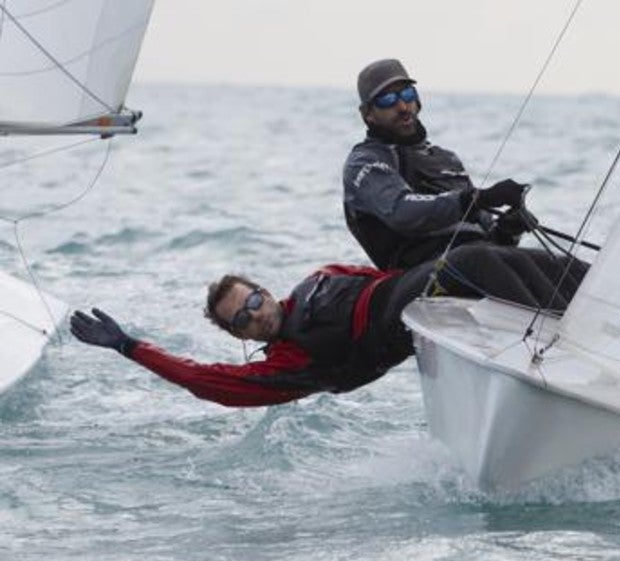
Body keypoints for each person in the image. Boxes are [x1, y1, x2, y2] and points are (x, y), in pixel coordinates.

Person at [69, 245, 583, 408]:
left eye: (252, 299)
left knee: (493, 253)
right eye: (241, 319)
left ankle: (601, 293)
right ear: (240, 337)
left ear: (264, 290)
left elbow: (380, 274)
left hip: (408, 285)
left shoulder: (318, 280)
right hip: (402, 317)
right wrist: (130, 347)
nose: (254, 313)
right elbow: (206, 382)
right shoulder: (286, 365)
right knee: (473, 264)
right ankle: (588, 332)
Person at [343, 58, 541, 270]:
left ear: (418, 100)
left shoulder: (447, 159)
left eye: (407, 94)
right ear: (368, 114)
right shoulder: (364, 162)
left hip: (478, 263)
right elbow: (402, 211)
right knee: (478, 257)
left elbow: (492, 238)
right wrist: (475, 199)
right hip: (417, 276)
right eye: (387, 100)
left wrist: (509, 230)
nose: (402, 106)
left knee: (554, 263)